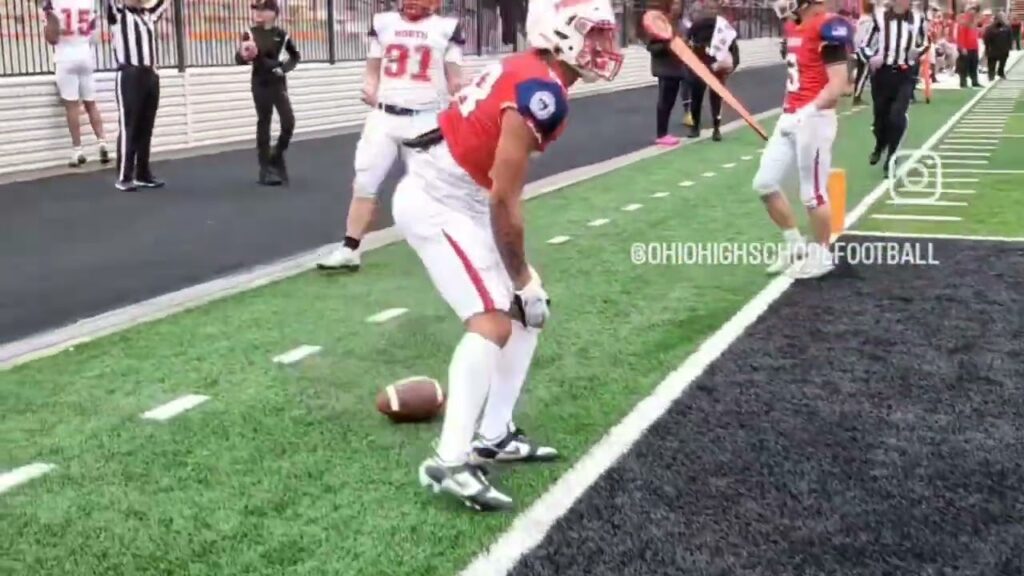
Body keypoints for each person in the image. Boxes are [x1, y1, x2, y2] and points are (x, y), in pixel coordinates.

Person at [395, 0, 621, 510]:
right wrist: (519, 274)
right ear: (559, 32)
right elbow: (503, 197)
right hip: (441, 199)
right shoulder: (541, 90)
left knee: (527, 313)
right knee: (494, 320)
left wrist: (524, 282)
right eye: (593, 34)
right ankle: (450, 461)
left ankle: (493, 433)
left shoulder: (533, 72)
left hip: (460, 192)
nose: (604, 47)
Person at [316, 0, 464, 272]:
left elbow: (455, 76)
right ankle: (350, 248)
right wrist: (369, 86)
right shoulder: (384, 23)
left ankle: (446, 245)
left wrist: (458, 94)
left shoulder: (446, 28)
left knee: (433, 185)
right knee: (364, 181)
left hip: (426, 116)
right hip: (384, 115)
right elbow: (372, 68)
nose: (410, 4)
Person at [752, 0, 852, 280]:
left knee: (812, 193)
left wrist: (806, 112)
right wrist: (791, 113)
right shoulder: (793, 26)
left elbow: (838, 85)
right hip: (790, 115)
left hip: (815, 120)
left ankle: (822, 255)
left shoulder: (828, 27)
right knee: (764, 183)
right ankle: (795, 244)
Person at [236, 0, 300, 186]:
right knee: (264, 121)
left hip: (278, 83)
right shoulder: (250, 33)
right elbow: (240, 58)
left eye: (262, 10)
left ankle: (276, 155)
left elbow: (295, 57)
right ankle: (265, 168)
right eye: (257, 9)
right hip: (260, 83)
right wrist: (244, 56)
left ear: (272, 13)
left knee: (288, 122)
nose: (258, 13)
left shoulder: (282, 34)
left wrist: (285, 69)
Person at [858, 0, 927, 171]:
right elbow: (864, 45)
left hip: (905, 73)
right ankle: (880, 145)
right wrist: (871, 58)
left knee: (897, 115)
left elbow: (925, 41)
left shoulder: (918, 18)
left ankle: (892, 156)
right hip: (883, 74)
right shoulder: (879, 17)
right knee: (880, 120)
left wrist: (917, 51)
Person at [107, 0, 168, 192]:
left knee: (146, 126)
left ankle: (143, 173)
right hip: (129, 73)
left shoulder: (148, 14)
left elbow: (163, 4)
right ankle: (124, 176)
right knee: (129, 126)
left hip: (150, 73)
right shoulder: (119, 13)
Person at [43, 0, 109, 168]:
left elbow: (52, 37)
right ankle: (102, 142)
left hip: (65, 56)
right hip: (85, 54)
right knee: (91, 103)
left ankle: (77, 150)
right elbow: (94, 34)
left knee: (72, 106)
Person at [684, 0, 739, 141]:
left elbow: (733, 47)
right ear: (704, 9)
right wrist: (689, 65)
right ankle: (695, 127)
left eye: (713, 8)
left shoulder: (724, 27)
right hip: (700, 66)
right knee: (696, 98)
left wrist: (732, 65)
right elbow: (686, 41)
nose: (710, 11)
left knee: (716, 99)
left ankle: (716, 128)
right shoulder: (697, 24)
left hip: (717, 67)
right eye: (708, 8)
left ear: (718, 10)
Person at [647, 0, 687, 145]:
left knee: (670, 102)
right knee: (664, 101)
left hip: (677, 68)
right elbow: (652, 47)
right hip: (665, 69)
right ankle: (661, 134)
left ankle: (664, 133)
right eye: (674, 3)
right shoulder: (660, 23)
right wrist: (668, 44)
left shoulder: (682, 24)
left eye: (679, 3)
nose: (677, 6)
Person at [852, 2, 877, 105]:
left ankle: (857, 95)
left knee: (861, 73)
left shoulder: (861, 20)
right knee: (863, 73)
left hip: (860, 48)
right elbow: (866, 37)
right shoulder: (869, 21)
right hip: (865, 50)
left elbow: (857, 37)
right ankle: (857, 96)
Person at [956, 3, 981, 88]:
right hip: (966, 48)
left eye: (974, 10)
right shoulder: (963, 22)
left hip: (974, 47)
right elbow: (960, 36)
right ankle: (963, 82)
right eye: (971, 9)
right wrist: (962, 47)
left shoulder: (974, 21)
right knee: (964, 66)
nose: (973, 11)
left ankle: (975, 81)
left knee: (974, 65)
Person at [983, 11, 1012, 80]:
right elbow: (986, 39)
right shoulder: (990, 28)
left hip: (1003, 49)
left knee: (1002, 63)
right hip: (993, 49)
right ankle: (991, 76)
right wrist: (987, 49)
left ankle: (1000, 72)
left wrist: (1009, 47)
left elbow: (1010, 37)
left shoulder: (1007, 27)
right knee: (992, 65)